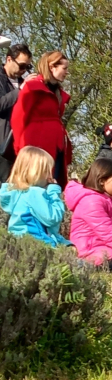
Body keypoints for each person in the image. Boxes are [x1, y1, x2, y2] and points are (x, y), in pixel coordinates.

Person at [10, 51, 73, 188]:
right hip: (37, 143)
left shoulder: (58, 92)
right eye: (64, 68)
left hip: (56, 144)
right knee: (36, 184)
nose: (67, 72)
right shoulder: (33, 87)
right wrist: (20, 148)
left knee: (52, 183)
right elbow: (18, 117)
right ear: (52, 67)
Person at [0, 146, 70, 247]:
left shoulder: (17, 192)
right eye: (47, 171)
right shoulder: (33, 194)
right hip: (39, 243)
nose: (49, 176)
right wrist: (54, 191)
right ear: (35, 172)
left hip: (21, 243)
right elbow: (53, 218)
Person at [0, 43, 33, 182]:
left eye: (27, 67)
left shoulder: (23, 82)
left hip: (18, 146)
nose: (24, 70)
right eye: (22, 66)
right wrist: (20, 90)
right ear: (9, 60)